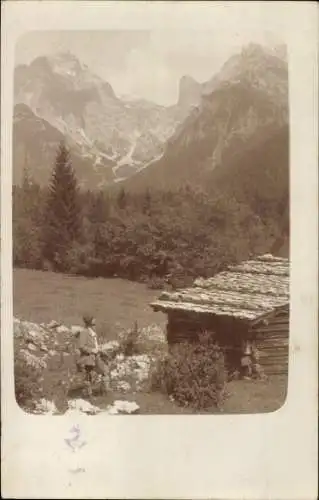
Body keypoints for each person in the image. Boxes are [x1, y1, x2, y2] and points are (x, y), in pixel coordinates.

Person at [76, 315, 100, 396]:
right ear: (89, 323)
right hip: (87, 358)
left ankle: (88, 393)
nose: (95, 325)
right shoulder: (84, 332)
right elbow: (81, 346)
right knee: (88, 376)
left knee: (91, 376)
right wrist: (92, 350)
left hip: (93, 357)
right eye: (93, 323)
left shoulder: (92, 333)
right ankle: (88, 394)